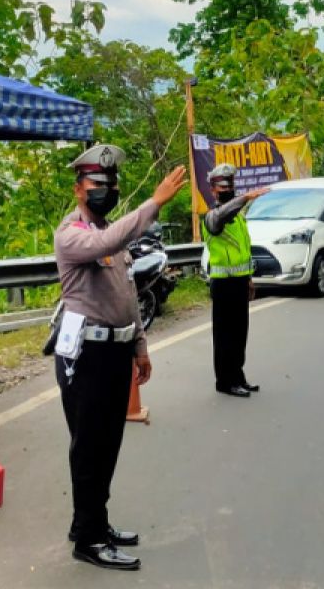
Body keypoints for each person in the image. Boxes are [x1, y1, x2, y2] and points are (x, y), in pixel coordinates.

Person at [53, 144, 187, 571]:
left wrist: (140, 348)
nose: (106, 191)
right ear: (78, 189)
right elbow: (108, 240)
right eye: (97, 184)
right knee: (89, 447)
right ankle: (88, 540)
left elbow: (127, 294)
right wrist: (154, 202)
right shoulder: (71, 234)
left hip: (114, 351)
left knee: (107, 444)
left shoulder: (111, 233)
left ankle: (93, 522)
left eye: (111, 185)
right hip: (86, 356)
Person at [202, 163, 269, 397]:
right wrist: (244, 198)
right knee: (225, 337)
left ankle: (238, 376)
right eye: (222, 186)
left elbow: (244, 250)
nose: (226, 189)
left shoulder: (239, 219)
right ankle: (225, 381)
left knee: (240, 334)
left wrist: (249, 278)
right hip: (223, 284)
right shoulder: (211, 217)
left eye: (229, 185)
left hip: (240, 282)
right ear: (212, 190)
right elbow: (221, 215)